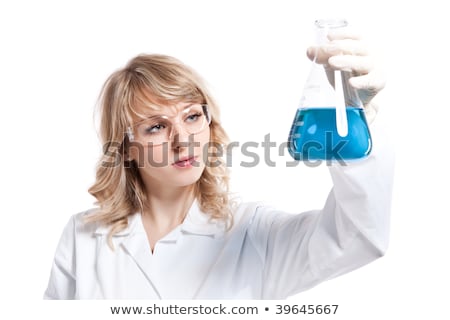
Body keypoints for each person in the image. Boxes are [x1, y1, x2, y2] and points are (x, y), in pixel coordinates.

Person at [44, 30, 394, 299]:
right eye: (156, 126)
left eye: (192, 116)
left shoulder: (254, 233)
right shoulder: (83, 238)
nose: (182, 139)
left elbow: (359, 236)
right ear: (125, 149)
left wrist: (359, 125)